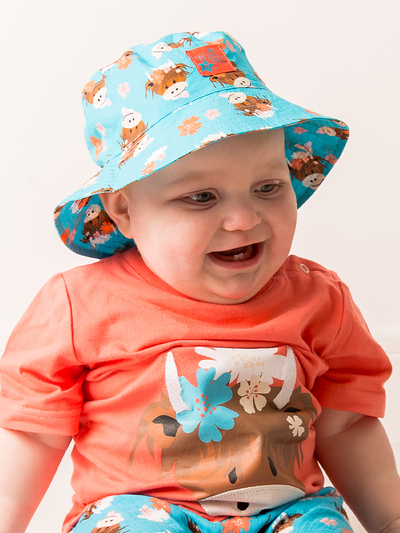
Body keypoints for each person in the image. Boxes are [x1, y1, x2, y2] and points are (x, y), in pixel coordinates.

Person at [0, 31, 399, 533]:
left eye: (268, 187)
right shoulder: (80, 305)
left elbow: (346, 423)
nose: (243, 219)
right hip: (139, 510)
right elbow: (34, 434)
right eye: (201, 197)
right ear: (124, 210)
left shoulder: (318, 299)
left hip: (286, 512)